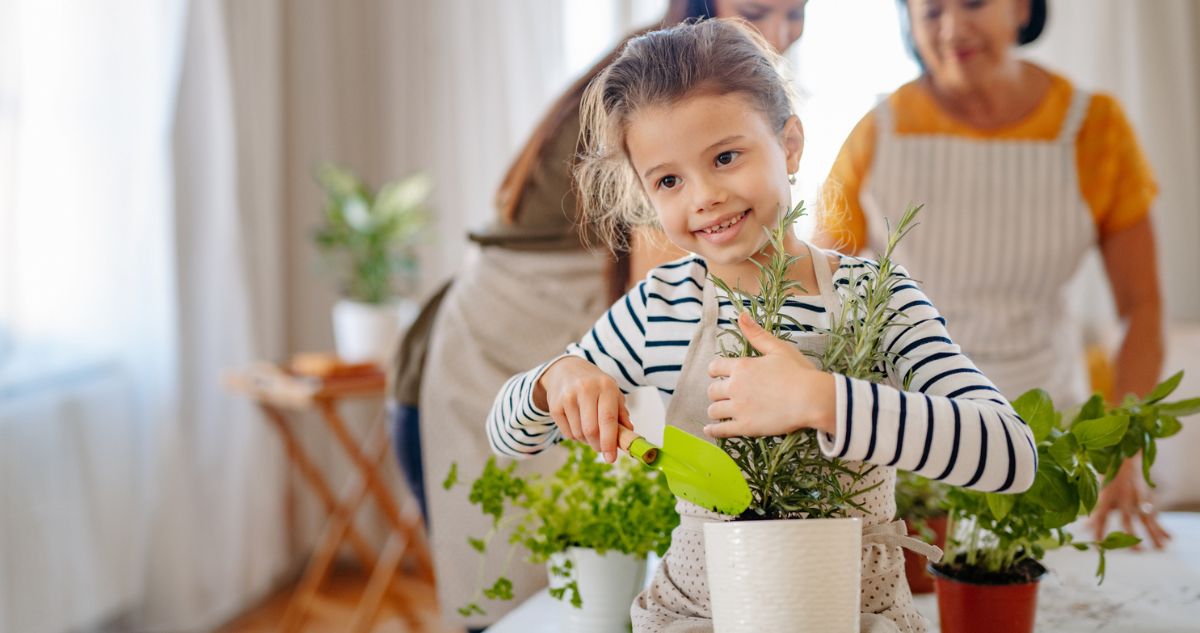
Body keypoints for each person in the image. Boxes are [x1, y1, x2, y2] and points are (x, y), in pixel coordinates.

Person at [487, 18, 1037, 632]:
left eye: (726, 157)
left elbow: (1009, 455)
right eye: (669, 180)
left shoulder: (876, 298)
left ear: (790, 144)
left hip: (855, 615)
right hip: (698, 616)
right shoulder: (659, 309)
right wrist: (554, 380)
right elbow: (510, 435)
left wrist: (823, 400)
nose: (704, 196)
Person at [389, 3, 810, 631]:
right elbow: (666, 295)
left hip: (545, 323)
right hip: (493, 345)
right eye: (755, 11)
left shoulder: (699, 81)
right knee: (512, 591)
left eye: (795, 13)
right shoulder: (663, 86)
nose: (776, 31)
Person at [814, 0, 1168, 548]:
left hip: (1050, 444)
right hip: (915, 437)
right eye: (930, 11)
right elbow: (818, 294)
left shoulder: (1096, 129)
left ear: (1021, 7)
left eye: (973, 3)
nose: (952, 27)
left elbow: (1142, 306)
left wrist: (1125, 451)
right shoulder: (876, 133)